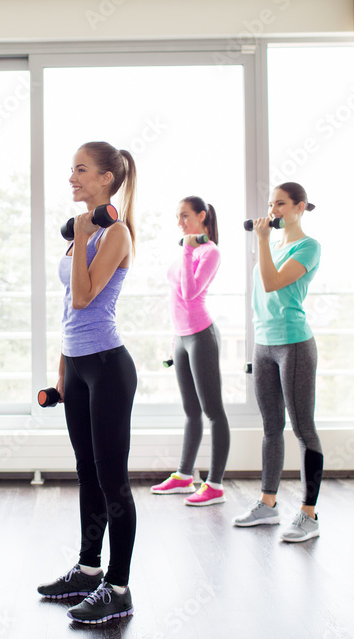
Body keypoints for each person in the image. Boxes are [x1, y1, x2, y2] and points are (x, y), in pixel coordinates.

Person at [37, 142, 138, 624]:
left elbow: (82, 298)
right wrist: (61, 372)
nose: (72, 177)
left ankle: (118, 588)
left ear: (105, 180)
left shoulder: (114, 233)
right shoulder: (82, 233)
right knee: (86, 472)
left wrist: (81, 232)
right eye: (71, 169)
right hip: (78, 367)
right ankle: (87, 568)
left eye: (80, 170)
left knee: (112, 479)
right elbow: (67, 314)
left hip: (108, 367)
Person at [233, 182, 322, 542]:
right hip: (264, 343)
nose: (274, 211)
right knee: (271, 427)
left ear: (299, 207)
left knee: (302, 428)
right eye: (271, 204)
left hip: (294, 343)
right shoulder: (276, 244)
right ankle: (268, 506)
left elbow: (271, 284)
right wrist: (267, 241)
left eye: (281, 204)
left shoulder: (308, 247)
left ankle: (309, 514)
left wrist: (261, 240)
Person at [151, 197, 231, 506]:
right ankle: (184, 476)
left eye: (185, 216)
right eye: (177, 217)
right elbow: (175, 298)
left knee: (213, 411)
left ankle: (215, 485)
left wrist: (187, 249)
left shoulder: (209, 252)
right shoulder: (190, 251)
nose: (180, 222)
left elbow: (189, 292)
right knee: (190, 411)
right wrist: (174, 341)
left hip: (201, 336)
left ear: (202, 216)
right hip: (182, 338)